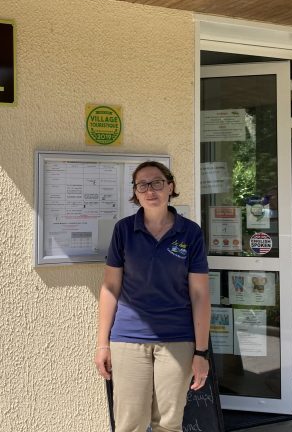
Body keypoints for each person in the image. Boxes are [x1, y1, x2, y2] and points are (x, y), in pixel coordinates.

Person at [94, 161, 211, 432]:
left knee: (168, 423)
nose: (150, 190)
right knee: (130, 423)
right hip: (128, 338)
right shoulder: (124, 230)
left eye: (157, 182)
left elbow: (200, 294)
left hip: (178, 338)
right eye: (142, 185)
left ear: (170, 187)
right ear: (135, 193)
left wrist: (201, 352)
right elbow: (110, 288)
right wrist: (102, 344)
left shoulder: (190, 232)